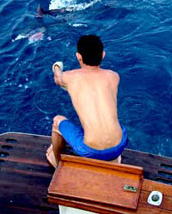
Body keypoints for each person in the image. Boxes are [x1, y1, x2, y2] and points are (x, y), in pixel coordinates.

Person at [46, 34, 128, 168]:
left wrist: (57, 67)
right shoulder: (114, 76)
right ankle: (113, 159)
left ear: (78, 56)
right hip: (119, 146)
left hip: (91, 151)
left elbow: (57, 78)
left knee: (57, 121)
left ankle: (56, 161)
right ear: (103, 55)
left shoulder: (69, 78)